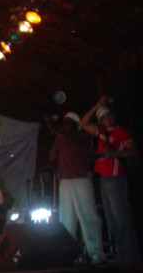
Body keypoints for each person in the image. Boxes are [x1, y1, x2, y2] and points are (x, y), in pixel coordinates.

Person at [80, 97, 141, 262]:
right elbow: (83, 123)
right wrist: (96, 106)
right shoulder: (103, 132)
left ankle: (130, 254)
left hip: (116, 177)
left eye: (108, 115)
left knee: (121, 217)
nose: (106, 119)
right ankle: (122, 252)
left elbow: (134, 150)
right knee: (112, 219)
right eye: (103, 117)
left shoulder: (122, 131)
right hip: (104, 178)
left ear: (113, 116)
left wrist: (113, 154)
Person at [47, 112, 105, 264]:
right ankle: (68, 254)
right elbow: (52, 158)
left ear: (76, 124)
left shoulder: (83, 136)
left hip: (80, 178)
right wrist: (57, 138)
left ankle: (96, 254)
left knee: (88, 216)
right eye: (64, 121)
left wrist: (57, 132)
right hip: (64, 180)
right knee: (66, 219)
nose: (65, 124)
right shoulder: (61, 138)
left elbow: (77, 146)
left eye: (68, 121)